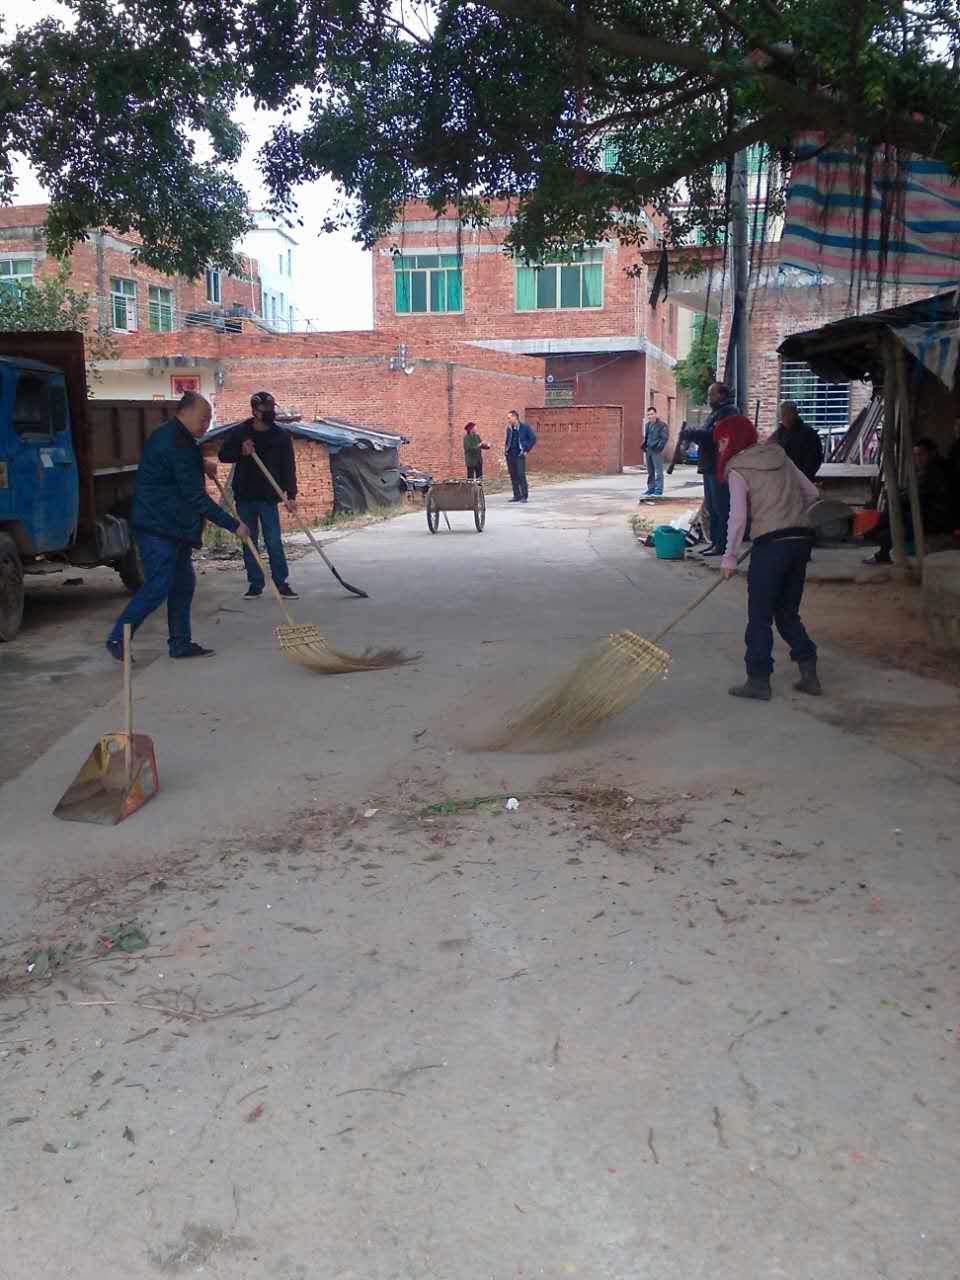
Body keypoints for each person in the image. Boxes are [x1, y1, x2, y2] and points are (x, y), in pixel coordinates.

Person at [105, 392, 249, 661]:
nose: (206, 424)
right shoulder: (175, 442)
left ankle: (180, 643)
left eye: (209, 419)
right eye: (203, 418)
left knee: (183, 584)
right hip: (158, 526)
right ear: (185, 412)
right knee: (158, 585)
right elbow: (195, 497)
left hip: (174, 526)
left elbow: (175, 467)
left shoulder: (176, 437)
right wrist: (233, 525)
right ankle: (118, 637)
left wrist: (200, 463)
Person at [718, 415, 821, 700]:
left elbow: (737, 518)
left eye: (721, 441)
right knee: (787, 612)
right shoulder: (779, 455)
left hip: (772, 546)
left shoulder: (738, 469)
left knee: (760, 615)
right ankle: (809, 672)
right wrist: (789, 516)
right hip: (801, 540)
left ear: (731, 440)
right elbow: (812, 492)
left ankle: (758, 681)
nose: (719, 448)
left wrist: (729, 557)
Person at [218, 391, 299, 599]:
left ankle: (281, 583)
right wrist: (241, 451)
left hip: (268, 496)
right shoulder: (241, 432)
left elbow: (288, 466)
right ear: (255, 411)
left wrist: (291, 495)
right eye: (266, 409)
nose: (271, 412)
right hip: (244, 495)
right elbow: (223, 455)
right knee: (249, 540)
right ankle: (255, 583)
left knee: (273, 541)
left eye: (272, 408)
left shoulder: (280, 436)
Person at [863, 437, 957, 565]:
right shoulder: (931, 469)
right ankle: (877, 539)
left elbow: (917, 494)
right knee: (896, 512)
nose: (918, 459)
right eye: (916, 455)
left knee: (899, 515)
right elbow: (915, 491)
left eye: (921, 455)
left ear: (933, 453)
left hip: (940, 517)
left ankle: (876, 538)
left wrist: (897, 497)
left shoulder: (936, 471)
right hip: (932, 512)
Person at [681, 382, 739, 556]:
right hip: (709, 466)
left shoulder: (729, 413)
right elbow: (705, 437)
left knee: (721, 507)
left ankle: (722, 544)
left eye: (712, 394)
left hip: (719, 466)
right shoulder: (715, 413)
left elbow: (716, 436)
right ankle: (715, 542)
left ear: (722, 395)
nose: (709, 398)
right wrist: (694, 435)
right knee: (712, 508)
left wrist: (694, 433)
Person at [770, 400, 824, 482]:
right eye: (783, 415)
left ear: (796, 414)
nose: (786, 418)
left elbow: (814, 461)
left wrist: (803, 479)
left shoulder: (809, 434)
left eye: (789, 414)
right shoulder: (779, 433)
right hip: (781, 479)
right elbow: (768, 449)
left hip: (801, 479)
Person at [504, 410, 537, 502]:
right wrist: (506, 450)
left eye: (509, 418)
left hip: (519, 454)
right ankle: (516, 495)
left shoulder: (525, 427)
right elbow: (507, 440)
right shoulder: (509, 428)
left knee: (521, 474)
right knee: (513, 475)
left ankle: (524, 496)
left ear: (515, 417)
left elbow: (533, 438)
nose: (508, 420)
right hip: (510, 454)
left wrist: (526, 450)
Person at [642, 407, 669, 497]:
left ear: (656, 414)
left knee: (658, 471)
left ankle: (658, 490)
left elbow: (664, 438)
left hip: (657, 451)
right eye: (648, 414)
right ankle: (651, 489)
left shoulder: (662, 425)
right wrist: (644, 446)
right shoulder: (647, 425)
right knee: (650, 471)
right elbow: (646, 437)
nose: (650, 416)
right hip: (648, 450)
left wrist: (658, 448)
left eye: (652, 414)